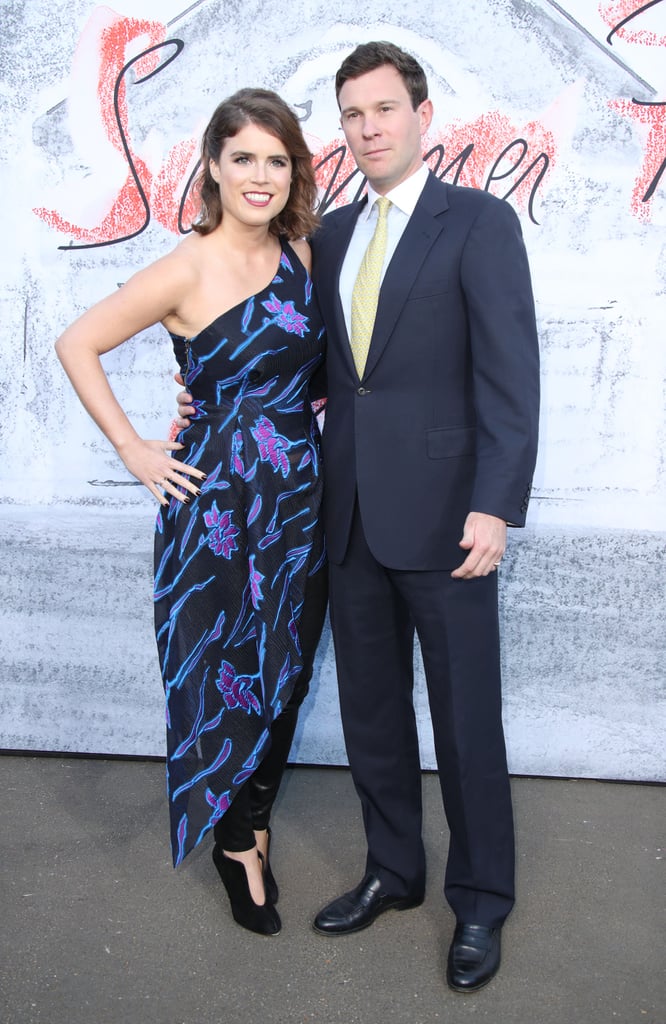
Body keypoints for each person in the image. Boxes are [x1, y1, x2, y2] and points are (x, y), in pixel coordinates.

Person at [178, 41, 540, 990]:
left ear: (422, 116)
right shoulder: (327, 235)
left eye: (384, 109)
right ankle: (394, 871)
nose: (369, 127)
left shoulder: (480, 223)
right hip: (341, 518)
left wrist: (495, 506)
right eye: (352, 115)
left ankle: (481, 903)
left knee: (467, 724)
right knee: (373, 715)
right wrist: (199, 401)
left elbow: (511, 376)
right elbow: (287, 360)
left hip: (449, 522)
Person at [55, 88, 328, 938]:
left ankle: (248, 818)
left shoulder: (303, 254)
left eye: (276, 159)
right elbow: (78, 341)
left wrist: (305, 408)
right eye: (242, 157)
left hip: (297, 495)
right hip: (211, 500)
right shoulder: (185, 265)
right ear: (212, 165)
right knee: (220, 664)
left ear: (294, 172)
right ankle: (238, 840)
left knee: (287, 664)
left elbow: (304, 367)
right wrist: (138, 450)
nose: (259, 175)